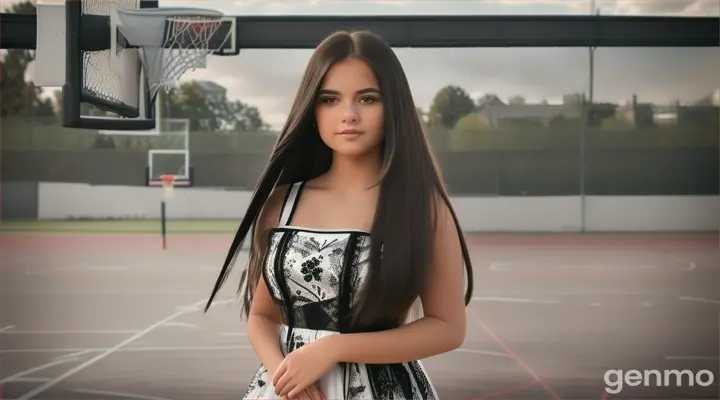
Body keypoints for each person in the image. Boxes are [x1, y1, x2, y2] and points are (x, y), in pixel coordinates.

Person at [205, 29, 474, 400]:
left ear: (392, 106)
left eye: (367, 98)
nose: (348, 114)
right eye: (330, 99)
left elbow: (447, 328)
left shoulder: (423, 207)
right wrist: (283, 377)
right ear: (312, 110)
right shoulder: (281, 203)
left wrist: (334, 349)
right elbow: (261, 316)